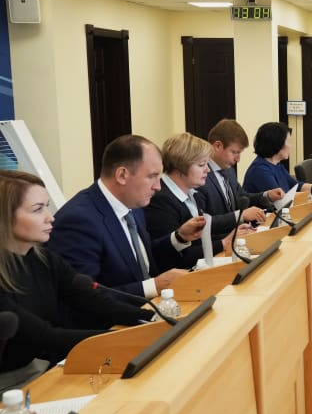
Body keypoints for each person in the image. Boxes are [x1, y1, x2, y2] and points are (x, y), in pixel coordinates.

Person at [0, 171, 152, 379]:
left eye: (47, 206)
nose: (50, 217)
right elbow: (45, 336)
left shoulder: (44, 259)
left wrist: (153, 319)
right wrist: (129, 338)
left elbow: (93, 300)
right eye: (37, 209)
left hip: (40, 368)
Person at [48, 135, 204, 300]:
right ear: (122, 175)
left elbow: (140, 259)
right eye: (152, 176)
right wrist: (153, 286)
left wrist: (178, 237)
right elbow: (82, 297)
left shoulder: (132, 203)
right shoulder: (78, 220)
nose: (158, 186)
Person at [145, 133, 250, 270]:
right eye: (201, 165)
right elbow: (172, 257)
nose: (208, 170)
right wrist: (223, 243)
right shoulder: (161, 200)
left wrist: (232, 236)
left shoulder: (191, 192)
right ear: (180, 166)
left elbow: (199, 239)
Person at [194, 119, 284, 237]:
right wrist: (240, 216)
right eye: (234, 152)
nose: (238, 159)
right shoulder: (199, 176)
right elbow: (202, 222)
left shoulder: (228, 170)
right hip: (218, 242)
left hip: (239, 235)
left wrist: (267, 195)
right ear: (218, 146)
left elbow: (242, 197)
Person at [243, 122, 312, 194]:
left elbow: (296, 186)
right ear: (277, 143)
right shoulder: (260, 170)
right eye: (289, 142)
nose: (290, 146)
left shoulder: (277, 164)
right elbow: (281, 197)